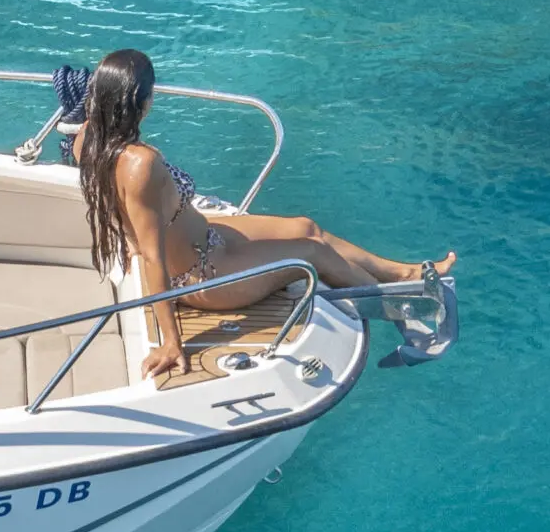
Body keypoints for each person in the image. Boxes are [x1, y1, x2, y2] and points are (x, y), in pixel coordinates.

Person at [74, 48, 453, 380]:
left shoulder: (87, 140)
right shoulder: (141, 164)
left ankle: (404, 273)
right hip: (202, 277)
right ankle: (405, 309)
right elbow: (153, 255)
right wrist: (171, 343)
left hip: (207, 240)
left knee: (305, 226)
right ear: (140, 101)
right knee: (311, 252)